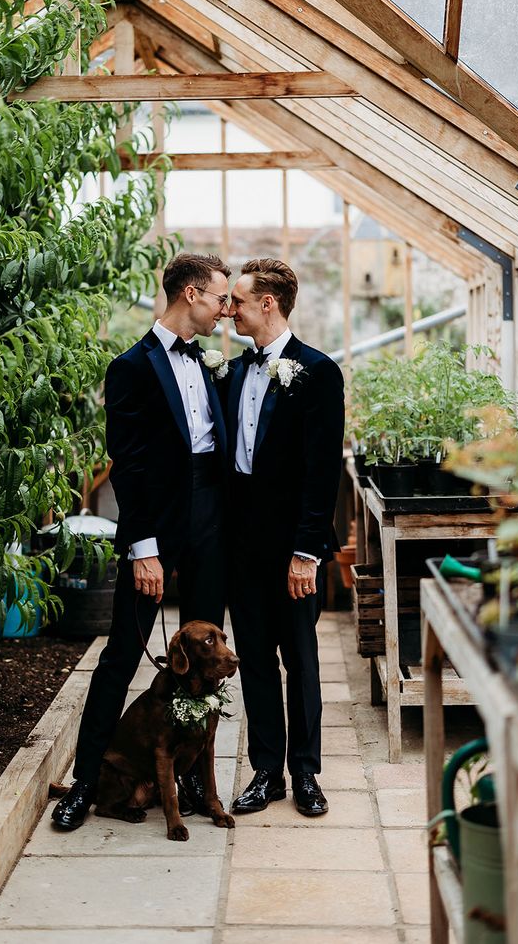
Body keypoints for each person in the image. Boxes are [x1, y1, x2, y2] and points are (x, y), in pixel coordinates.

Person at [52, 252, 232, 830]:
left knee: (206, 662)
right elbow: (127, 466)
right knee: (121, 655)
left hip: (211, 519)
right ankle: (86, 782)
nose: (224, 309)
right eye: (218, 298)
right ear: (190, 295)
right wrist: (144, 547)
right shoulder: (130, 367)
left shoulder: (208, 362)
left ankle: (196, 785)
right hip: (157, 522)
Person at [225, 258, 344, 817]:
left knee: (300, 657)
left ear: (267, 304)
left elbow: (323, 474)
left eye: (239, 301)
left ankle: (305, 773)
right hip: (240, 546)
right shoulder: (229, 372)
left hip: (292, 548)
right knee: (253, 658)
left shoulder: (317, 372)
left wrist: (307, 553)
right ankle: (266, 771)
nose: (230, 310)